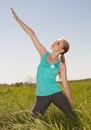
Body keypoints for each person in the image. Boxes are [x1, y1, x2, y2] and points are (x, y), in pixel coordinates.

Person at [11, 8, 74, 117]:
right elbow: (32, 34)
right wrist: (18, 20)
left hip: (56, 94)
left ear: (61, 50)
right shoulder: (43, 54)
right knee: (32, 121)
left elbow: (65, 84)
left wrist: (70, 101)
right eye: (56, 40)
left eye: (58, 43)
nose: (55, 42)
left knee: (72, 116)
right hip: (41, 96)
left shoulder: (61, 65)